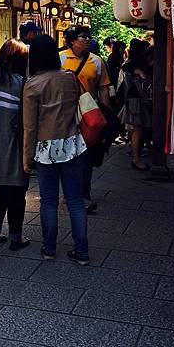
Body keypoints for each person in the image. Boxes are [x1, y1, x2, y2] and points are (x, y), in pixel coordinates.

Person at [23, 34, 89, 265]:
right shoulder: (70, 78)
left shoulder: (32, 84)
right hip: (72, 144)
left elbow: (30, 126)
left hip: (45, 148)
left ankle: (49, 248)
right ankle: (82, 252)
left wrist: (27, 156)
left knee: (49, 202)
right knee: (75, 201)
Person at [0, 39, 31, 251]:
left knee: (3, 187)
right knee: (18, 190)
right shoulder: (22, 84)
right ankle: (16, 237)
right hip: (16, 143)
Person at [60, 26, 111, 213]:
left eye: (89, 36)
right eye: (83, 37)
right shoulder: (61, 59)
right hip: (66, 113)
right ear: (72, 40)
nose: (87, 40)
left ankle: (84, 194)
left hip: (89, 114)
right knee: (68, 154)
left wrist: (105, 113)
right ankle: (69, 195)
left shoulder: (96, 61)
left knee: (86, 155)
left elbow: (104, 88)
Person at [118, 38, 152, 171]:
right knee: (138, 127)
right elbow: (127, 67)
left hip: (132, 98)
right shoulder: (138, 62)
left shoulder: (132, 61)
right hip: (137, 99)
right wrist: (140, 71)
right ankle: (136, 158)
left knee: (135, 127)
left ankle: (134, 153)